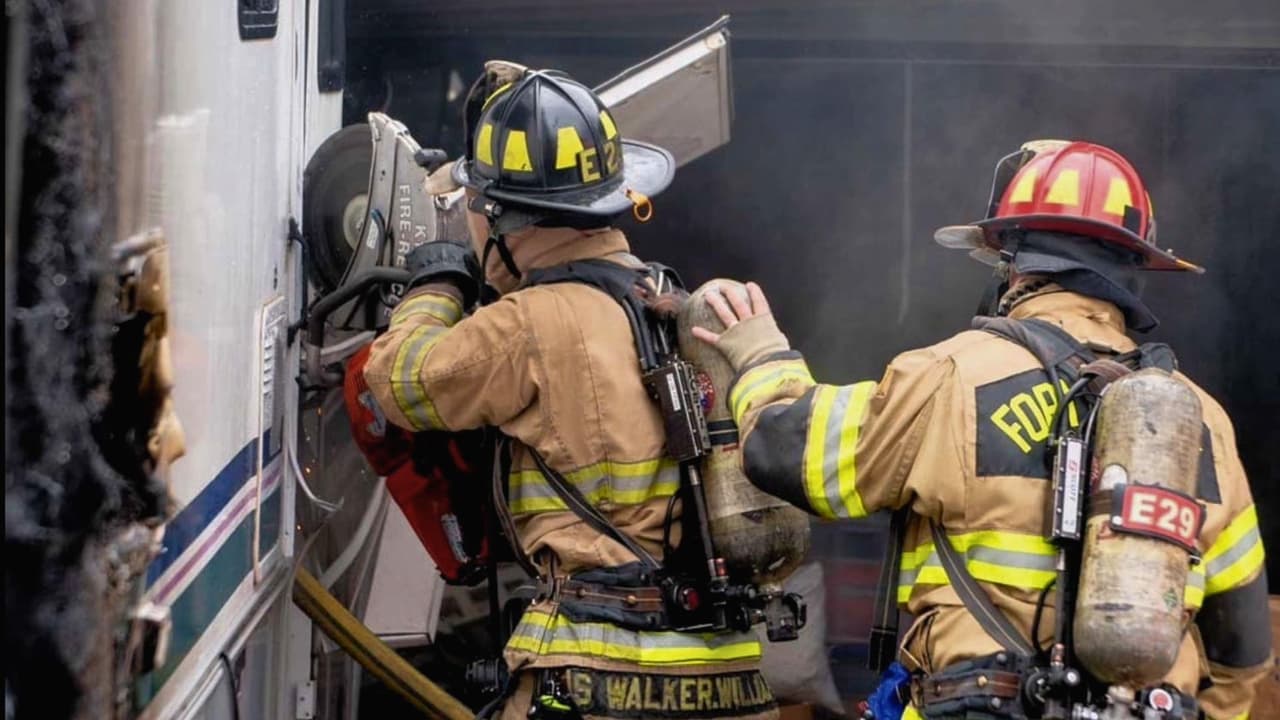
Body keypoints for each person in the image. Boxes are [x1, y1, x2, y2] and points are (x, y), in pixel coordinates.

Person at [692, 140, 1270, 719]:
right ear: (1132, 271)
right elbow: (1241, 649)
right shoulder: (1202, 421)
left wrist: (762, 354)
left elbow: (796, 455)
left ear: (1015, 262)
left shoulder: (953, 376)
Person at [362, 64, 777, 720]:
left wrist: (436, 282)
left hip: (595, 671)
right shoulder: (664, 297)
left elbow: (399, 385)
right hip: (727, 675)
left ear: (501, 214)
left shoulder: (529, 323)